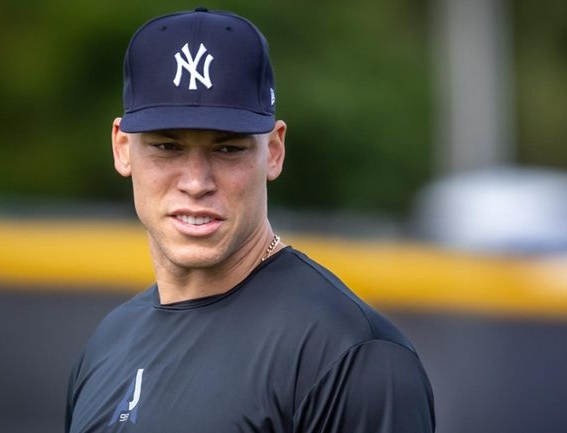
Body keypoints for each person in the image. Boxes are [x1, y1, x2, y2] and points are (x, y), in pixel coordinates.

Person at [65, 8, 435, 433]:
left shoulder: (350, 355)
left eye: (228, 149)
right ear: (122, 148)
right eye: (167, 147)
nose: (196, 182)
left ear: (273, 151)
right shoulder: (108, 345)